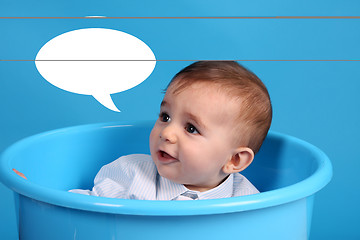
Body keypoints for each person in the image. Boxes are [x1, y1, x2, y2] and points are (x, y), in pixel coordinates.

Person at [64, 61, 272, 200]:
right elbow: (83, 208)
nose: (166, 133)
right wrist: (41, 203)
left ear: (234, 160)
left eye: (191, 128)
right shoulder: (130, 173)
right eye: (166, 117)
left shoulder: (247, 201)